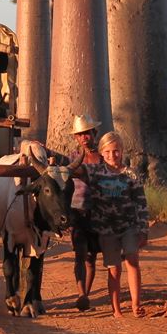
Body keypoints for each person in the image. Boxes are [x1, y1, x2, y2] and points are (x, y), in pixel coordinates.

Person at [75, 131, 148, 318]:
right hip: (106, 230)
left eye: (116, 151)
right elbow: (73, 168)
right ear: (101, 153)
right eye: (107, 152)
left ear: (122, 151)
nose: (112, 155)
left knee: (132, 261)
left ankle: (135, 304)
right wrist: (49, 156)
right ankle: (116, 309)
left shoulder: (131, 174)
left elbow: (141, 203)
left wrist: (143, 229)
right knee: (114, 268)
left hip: (129, 226)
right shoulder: (95, 172)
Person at [67, 113, 102, 312]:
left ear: (94, 133)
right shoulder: (72, 158)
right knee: (80, 254)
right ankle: (81, 294)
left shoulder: (104, 156)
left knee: (91, 257)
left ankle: (86, 295)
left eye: (87, 133)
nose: (84, 138)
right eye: (80, 135)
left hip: (98, 211)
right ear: (76, 138)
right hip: (77, 211)